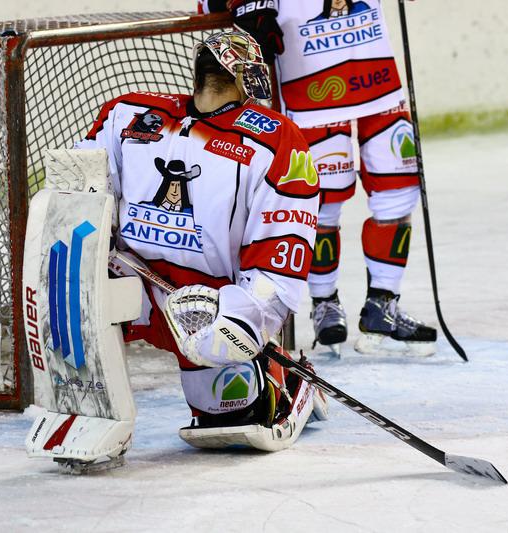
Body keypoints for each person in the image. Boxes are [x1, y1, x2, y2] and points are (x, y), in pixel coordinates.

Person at [74, 30, 327, 451]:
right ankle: (87, 406)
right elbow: (80, 192)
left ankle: (287, 380)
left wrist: (247, 318)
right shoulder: (130, 115)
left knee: (226, 413)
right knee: (77, 293)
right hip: (135, 286)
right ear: (242, 77)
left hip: (210, 307)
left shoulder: (271, 138)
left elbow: (281, 248)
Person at [199, 0, 437, 356]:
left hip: (379, 84)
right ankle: (325, 304)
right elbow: (209, 5)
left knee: (398, 191)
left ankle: (383, 303)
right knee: (322, 202)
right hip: (310, 89)